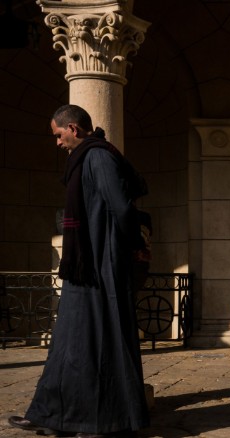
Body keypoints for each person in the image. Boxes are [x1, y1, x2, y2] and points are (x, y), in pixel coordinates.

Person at [8, 105, 150, 437]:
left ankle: (99, 421)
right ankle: (50, 415)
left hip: (99, 265)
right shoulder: (85, 158)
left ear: (72, 128)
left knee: (98, 340)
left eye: (58, 135)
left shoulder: (98, 157)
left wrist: (133, 247)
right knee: (69, 342)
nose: (56, 143)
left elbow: (121, 207)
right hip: (84, 265)